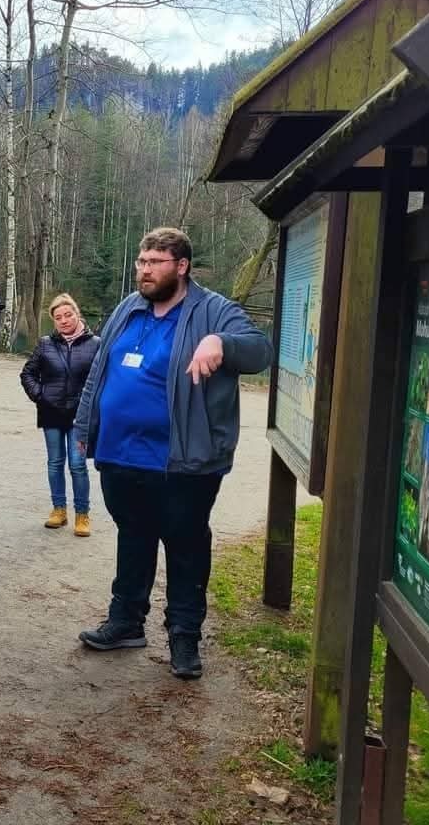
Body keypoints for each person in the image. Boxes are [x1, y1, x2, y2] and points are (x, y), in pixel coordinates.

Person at [74, 227, 271, 680]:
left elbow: (260, 350)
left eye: (154, 262)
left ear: (181, 266)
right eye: (141, 262)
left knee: (184, 545)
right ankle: (125, 621)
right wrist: (86, 428)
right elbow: (99, 373)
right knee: (133, 535)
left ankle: (184, 636)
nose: (143, 270)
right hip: (121, 456)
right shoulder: (129, 308)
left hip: (183, 460)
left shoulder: (213, 310)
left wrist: (222, 342)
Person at [20, 293, 101, 537]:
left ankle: (82, 514)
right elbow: (27, 374)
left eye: (68, 315)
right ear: (53, 321)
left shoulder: (96, 344)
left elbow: (102, 379)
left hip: (80, 415)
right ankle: (58, 510)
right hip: (51, 412)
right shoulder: (45, 344)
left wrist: (92, 406)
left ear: (77, 315)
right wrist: (40, 395)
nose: (64, 320)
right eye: (58, 317)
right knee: (55, 463)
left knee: (77, 465)